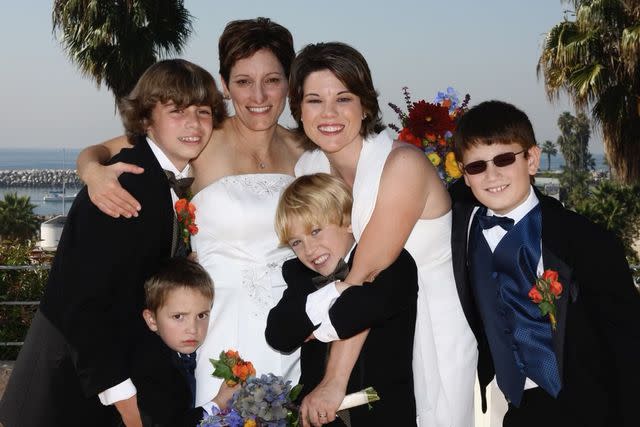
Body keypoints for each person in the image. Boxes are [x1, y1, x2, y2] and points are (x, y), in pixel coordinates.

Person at [74, 17, 303, 407]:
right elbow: (102, 150)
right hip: (215, 321)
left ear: (289, 82)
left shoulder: (306, 150)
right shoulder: (202, 137)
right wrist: (93, 173)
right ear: (225, 84)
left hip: (290, 325)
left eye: (273, 79)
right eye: (244, 81)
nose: (259, 94)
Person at [0, 59, 224, 427]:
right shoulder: (125, 183)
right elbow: (81, 299)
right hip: (69, 389)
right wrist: (124, 399)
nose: (193, 123)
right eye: (177, 111)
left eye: (202, 112)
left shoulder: (165, 179)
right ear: (147, 119)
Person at [290, 42, 477, 427]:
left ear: (365, 106)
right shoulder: (308, 170)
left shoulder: (403, 164)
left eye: (343, 98)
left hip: (427, 329)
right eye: (314, 100)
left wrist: (333, 382)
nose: (328, 113)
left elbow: (365, 275)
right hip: (363, 332)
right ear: (298, 109)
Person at [450, 100, 640, 427]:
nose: (491, 175)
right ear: (465, 175)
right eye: (477, 166)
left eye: (505, 159)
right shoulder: (461, 225)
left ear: (532, 159)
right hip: (519, 405)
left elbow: (627, 343)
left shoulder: (586, 241)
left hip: (589, 402)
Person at [266, 173, 418, 427]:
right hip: (316, 417)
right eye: (296, 242)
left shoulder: (392, 261)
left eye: (315, 231)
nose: (309, 250)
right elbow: (279, 334)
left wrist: (317, 329)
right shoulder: (301, 277)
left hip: (380, 413)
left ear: (348, 221)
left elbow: (356, 313)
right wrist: (335, 290)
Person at [132, 257, 237, 427]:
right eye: (179, 317)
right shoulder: (150, 366)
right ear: (152, 320)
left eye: (201, 315)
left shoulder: (203, 349)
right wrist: (218, 404)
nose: (193, 329)